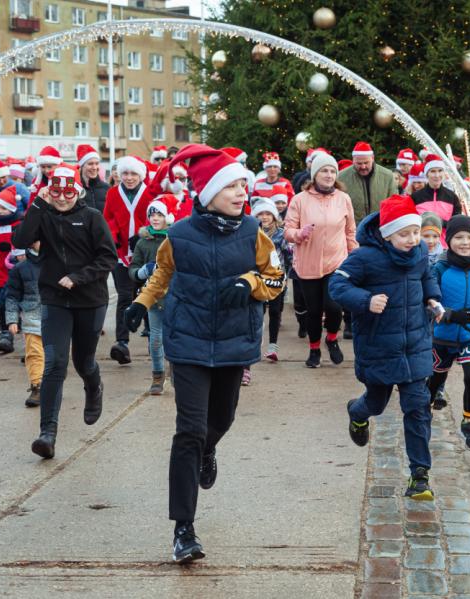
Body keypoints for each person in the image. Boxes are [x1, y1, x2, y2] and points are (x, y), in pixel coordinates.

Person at [122, 144, 284, 563]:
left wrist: (249, 284)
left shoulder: (254, 232)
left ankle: (209, 450)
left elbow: (277, 278)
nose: (239, 192)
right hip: (189, 342)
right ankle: (184, 529)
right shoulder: (178, 235)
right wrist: (141, 303)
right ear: (207, 191)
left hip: (233, 342)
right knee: (188, 431)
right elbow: (163, 273)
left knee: (221, 420)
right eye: (229, 186)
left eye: (241, 185)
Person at [330, 194, 442, 500]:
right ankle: (357, 412)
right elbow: (337, 286)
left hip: (415, 344)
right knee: (376, 404)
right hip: (379, 345)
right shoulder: (365, 257)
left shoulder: (419, 252)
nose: (413, 239)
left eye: (416, 232)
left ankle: (420, 475)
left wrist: (433, 299)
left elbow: (426, 275)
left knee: (417, 408)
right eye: (404, 234)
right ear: (387, 233)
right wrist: (366, 300)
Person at [12, 165, 117, 459]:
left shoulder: (92, 217)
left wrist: (78, 277)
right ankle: (47, 434)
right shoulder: (43, 213)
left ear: (77, 190)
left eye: (67, 192)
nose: (61, 198)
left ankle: (94, 387)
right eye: (55, 192)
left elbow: (108, 257)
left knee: (83, 362)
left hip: (90, 299)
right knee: (55, 363)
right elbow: (20, 241)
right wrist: (38, 204)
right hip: (55, 298)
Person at [426, 215, 470, 451]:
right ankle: (423, 416)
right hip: (443, 334)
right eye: (459, 237)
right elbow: (429, 300)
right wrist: (448, 313)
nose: (465, 242)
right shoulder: (440, 267)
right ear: (449, 240)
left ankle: (468, 421)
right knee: (436, 379)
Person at [285, 152, 357, 368]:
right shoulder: (300, 200)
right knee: (314, 311)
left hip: (336, 262)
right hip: (308, 263)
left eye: (332, 171)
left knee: (334, 307)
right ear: (315, 174)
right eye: (324, 170)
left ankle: (332, 339)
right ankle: (314, 349)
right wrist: (299, 234)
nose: (329, 175)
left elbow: (350, 231)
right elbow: (288, 230)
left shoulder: (344, 199)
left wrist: (354, 257)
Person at [103, 155, 151, 365]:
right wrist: (114, 238)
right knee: (124, 296)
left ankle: (153, 337)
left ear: (140, 175)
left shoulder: (150, 192)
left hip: (146, 253)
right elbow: (108, 219)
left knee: (147, 294)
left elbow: (158, 218)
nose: (129, 178)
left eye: (133, 174)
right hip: (121, 254)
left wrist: (143, 234)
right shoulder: (113, 193)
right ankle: (122, 342)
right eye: (125, 174)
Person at [128, 200, 173, 395]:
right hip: (153, 296)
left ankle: (178, 372)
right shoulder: (142, 241)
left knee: (176, 338)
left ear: (168, 217)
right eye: (152, 215)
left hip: (175, 296)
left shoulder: (175, 239)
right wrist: (142, 272)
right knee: (155, 339)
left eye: (160, 215)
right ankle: (157, 374)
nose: (155, 218)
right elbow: (132, 269)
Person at [252, 199, 292, 364]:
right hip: (257, 280)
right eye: (261, 214)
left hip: (276, 280)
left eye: (268, 213)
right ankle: (255, 348)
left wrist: (286, 276)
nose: (264, 217)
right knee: (258, 314)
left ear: (274, 216)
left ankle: (273, 346)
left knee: (275, 312)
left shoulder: (281, 234)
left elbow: (289, 256)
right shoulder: (252, 233)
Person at [5, 243, 44, 407]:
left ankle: (52, 385)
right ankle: (37, 386)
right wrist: (12, 319)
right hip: (31, 316)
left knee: (56, 356)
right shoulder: (21, 268)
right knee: (34, 353)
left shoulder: (61, 262)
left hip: (58, 315)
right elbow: (12, 295)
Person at [0, 187, 22, 353]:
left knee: (15, 304)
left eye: (4, 208)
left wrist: (13, 252)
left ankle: (16, 332)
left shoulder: (19, 225)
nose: (0, 212)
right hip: (0, 273)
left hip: (16, 273)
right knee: (1, 305)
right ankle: (5, 334)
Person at [337, 142, 397, 223]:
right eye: (359, 163)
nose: (363, 167)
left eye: (366, 163)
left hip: (380, 227)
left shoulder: (387, 176)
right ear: (353, 160)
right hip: (354, 229)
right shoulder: (342, 177)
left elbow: (394, 202)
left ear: (372, 158)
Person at [411, 154, 461, 226]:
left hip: (445, 237)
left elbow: (456, 223)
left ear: (444, 173)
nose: (437, 175)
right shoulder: (415, 197)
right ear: (427, 174)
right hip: (422, 237)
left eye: (440, 171)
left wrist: (441, 222)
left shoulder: (452, 197)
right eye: (433, 171)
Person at [77, 144, 108, 213]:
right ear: (82, 166)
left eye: (97, 164)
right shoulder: (75, 188)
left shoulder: (106, 188)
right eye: (90, 164)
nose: (94, 167)